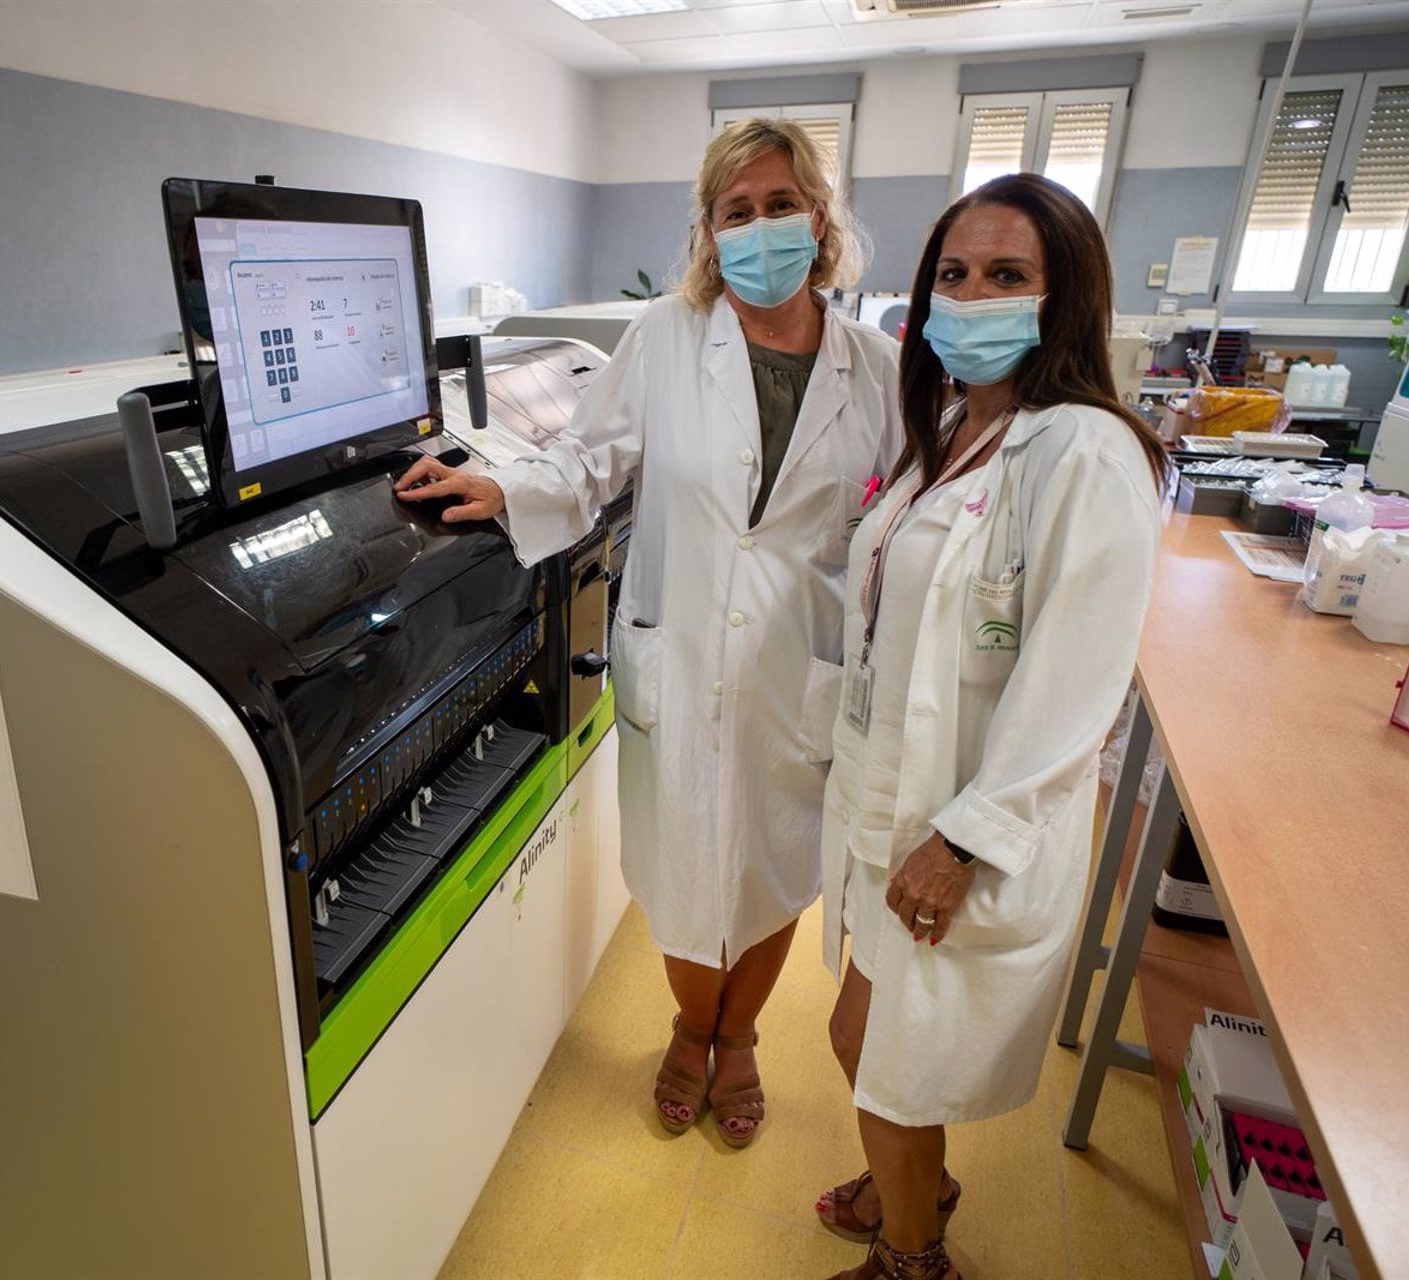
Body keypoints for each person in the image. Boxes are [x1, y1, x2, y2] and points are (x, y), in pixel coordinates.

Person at [396, 119, 902, 1148]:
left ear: (821, 217)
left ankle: (744, 1035)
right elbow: (590, 463)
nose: (762, 227)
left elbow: (902, 515)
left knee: (772, 865)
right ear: (710, 231)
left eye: (781, 205)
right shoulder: (666, 337)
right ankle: (686, 1030)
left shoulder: (876, 366)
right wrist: (499, 483)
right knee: (680, 868)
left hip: (796, 666)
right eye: (737, 210)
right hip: (681, 654)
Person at [811, 173, 1167, 1280]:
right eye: (954, 275)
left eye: (1006, 275)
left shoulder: (1086, 453)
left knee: (879, 1047)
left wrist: (964, 837)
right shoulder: (961, 424)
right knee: (874, 1040)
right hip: (891, 792)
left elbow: (1077, 684)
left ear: (1062, 299)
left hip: (956, 825)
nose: (970, 297)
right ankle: (913, 1175)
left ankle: (914, 1254)